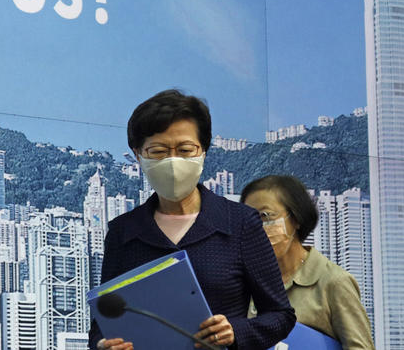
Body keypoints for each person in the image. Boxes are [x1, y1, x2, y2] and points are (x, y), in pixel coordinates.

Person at [89, 90, 295, 350]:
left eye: (185, 150)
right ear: (138, 155)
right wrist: (103, 345)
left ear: (204, 151)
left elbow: (280, 315)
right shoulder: (123, 232)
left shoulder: (241, 224)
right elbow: (102, 323)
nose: (173, 161)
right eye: (158, 151)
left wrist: (235, 331)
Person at [241, 175, 375, 350]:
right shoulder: (244, 282)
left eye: (265, 216)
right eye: (248, 219)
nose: (257, 227)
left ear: (295, 218)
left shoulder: (334, 282)